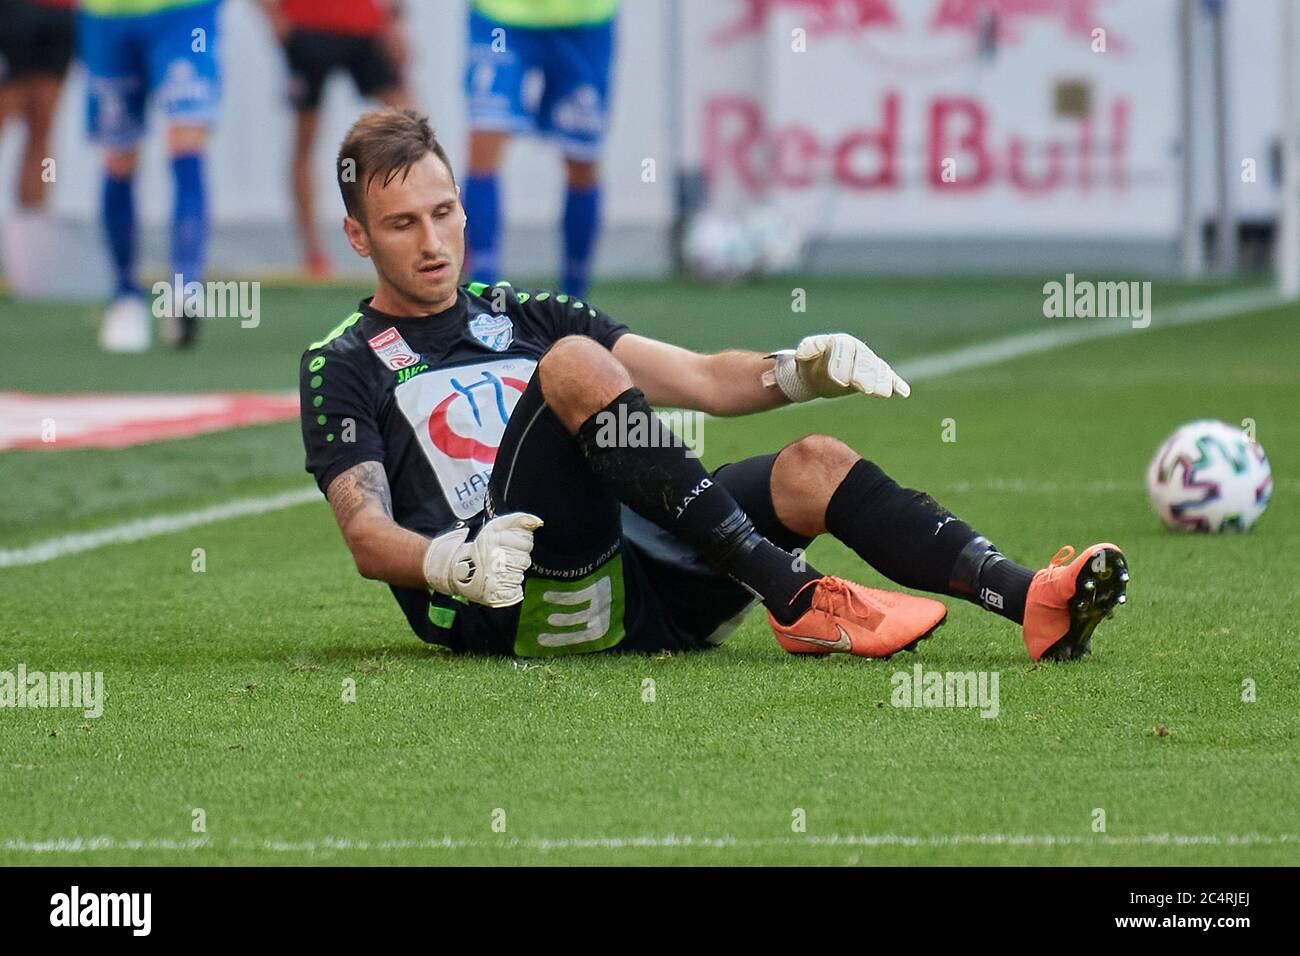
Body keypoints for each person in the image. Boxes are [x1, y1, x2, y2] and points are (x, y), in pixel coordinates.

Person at [299, 108, 1129, 660]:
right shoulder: (341, 362)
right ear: (358, 237)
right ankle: (793, 591)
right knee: (578, 367)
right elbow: (368, 537)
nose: (433, 240)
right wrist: (454, 563)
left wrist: (797, 371)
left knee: (815, 463)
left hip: (646, 588)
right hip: (515, 598)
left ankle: (1033, 602)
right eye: (403, 224)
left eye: (444, 211)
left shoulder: (524, 311)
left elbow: (699, 378)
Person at [79, 0, 221, 352]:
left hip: (187, 13)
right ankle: (126, 296)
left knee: (187, 139)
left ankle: (185, 287)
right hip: (107, 16)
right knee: (118, 155)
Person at [462, 0, 617, 299]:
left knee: (582, 159)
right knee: (484, 138)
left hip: (585, 18)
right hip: (500, 14)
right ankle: (482, 292)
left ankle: (574, 297)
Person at [258, 0, 409, 278]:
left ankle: (421, 240)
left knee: (410, 129)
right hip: (306, 27)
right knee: (305, 139)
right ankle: (314, 256)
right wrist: (272, 16)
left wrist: (396, 23)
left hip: (366, 24)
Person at [0, 0, 75, 212]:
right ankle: (36, 213)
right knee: (41, 130)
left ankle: (36, 215)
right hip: (27, 14)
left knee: (43, 129)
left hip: (58, 17)